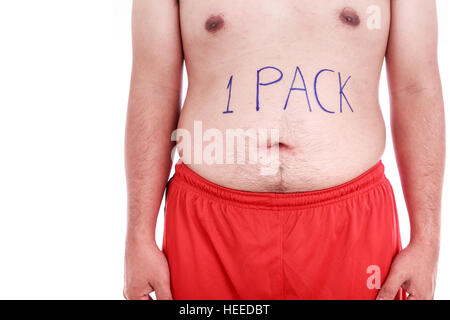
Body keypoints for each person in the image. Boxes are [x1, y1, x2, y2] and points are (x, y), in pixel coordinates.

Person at [123, 0, 445, 300]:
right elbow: (153, 87)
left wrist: (427, 241)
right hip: (208, 230)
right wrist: (138, 235)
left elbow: (415, 88)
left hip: (351, 225)